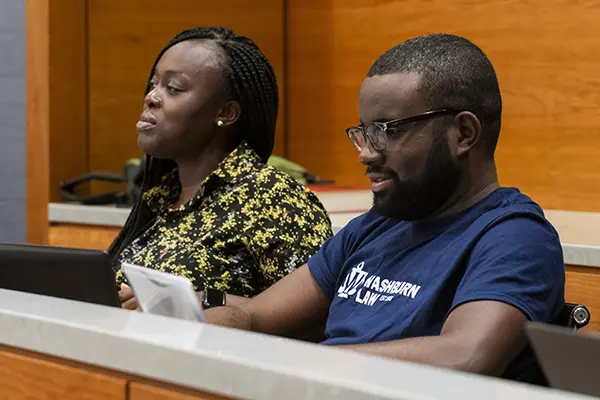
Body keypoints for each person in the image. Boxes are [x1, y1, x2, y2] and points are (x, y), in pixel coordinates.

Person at [204, 34, 565, 382]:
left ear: (464, 133)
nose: (366, 152)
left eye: (387, 131)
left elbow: (463, 355)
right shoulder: (377, 225)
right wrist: (172, 315)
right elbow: (254, 316)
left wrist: (300, 361)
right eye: (363, 132)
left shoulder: (515, 237)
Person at [109, 27, 332, 309]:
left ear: (226, 113)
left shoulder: (273, 199)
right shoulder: (160, 200)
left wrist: (193, 302)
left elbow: (318, 316)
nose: (151, 97)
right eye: (153, 84)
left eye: (173, 88)